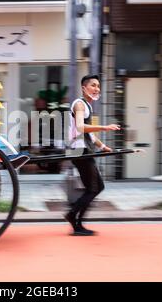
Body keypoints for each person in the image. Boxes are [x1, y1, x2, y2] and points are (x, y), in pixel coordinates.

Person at [64, 74, 121, 236]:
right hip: (79, 150)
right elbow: (81, 127)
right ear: (84, 88)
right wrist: (105, 127)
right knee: (94, 188)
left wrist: (103, 147)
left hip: (83, 149)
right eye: (93, 85)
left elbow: (90, 135)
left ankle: (76, 219)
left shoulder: (87, 106)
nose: (97, 88)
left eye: (98, 86)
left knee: (96, 187)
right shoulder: (80, 105)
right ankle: (73, 217)